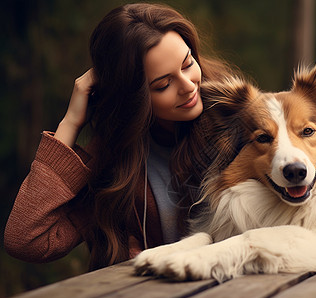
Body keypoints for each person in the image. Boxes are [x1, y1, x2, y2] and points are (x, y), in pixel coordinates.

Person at [4, 3, 234, 270]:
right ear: (132, 98)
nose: (188, 86)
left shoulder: (237, 123)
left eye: (187, 63)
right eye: (163, 84)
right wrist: (70, 123)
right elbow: (26, 240)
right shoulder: (114, 165)